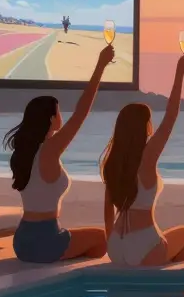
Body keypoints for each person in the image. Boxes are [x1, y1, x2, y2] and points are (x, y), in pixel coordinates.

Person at [6, 46, 113, 263]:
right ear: (51, 119)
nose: (62, 116)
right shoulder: (49, 150)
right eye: (59, 111)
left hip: (22, 239)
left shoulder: (24, 152)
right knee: (101, 239)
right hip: (45, 239)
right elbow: (81, 113)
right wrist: (100, 66)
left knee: (84, 238)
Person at [101, 53, 184, 266]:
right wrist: (179, 74)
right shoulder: (147, 156)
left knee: (169, 240)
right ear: (143, 126)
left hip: (116, 243)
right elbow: (171, 116)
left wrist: (111, 242)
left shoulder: (114, 161)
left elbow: (107, 209)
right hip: (143, 244)